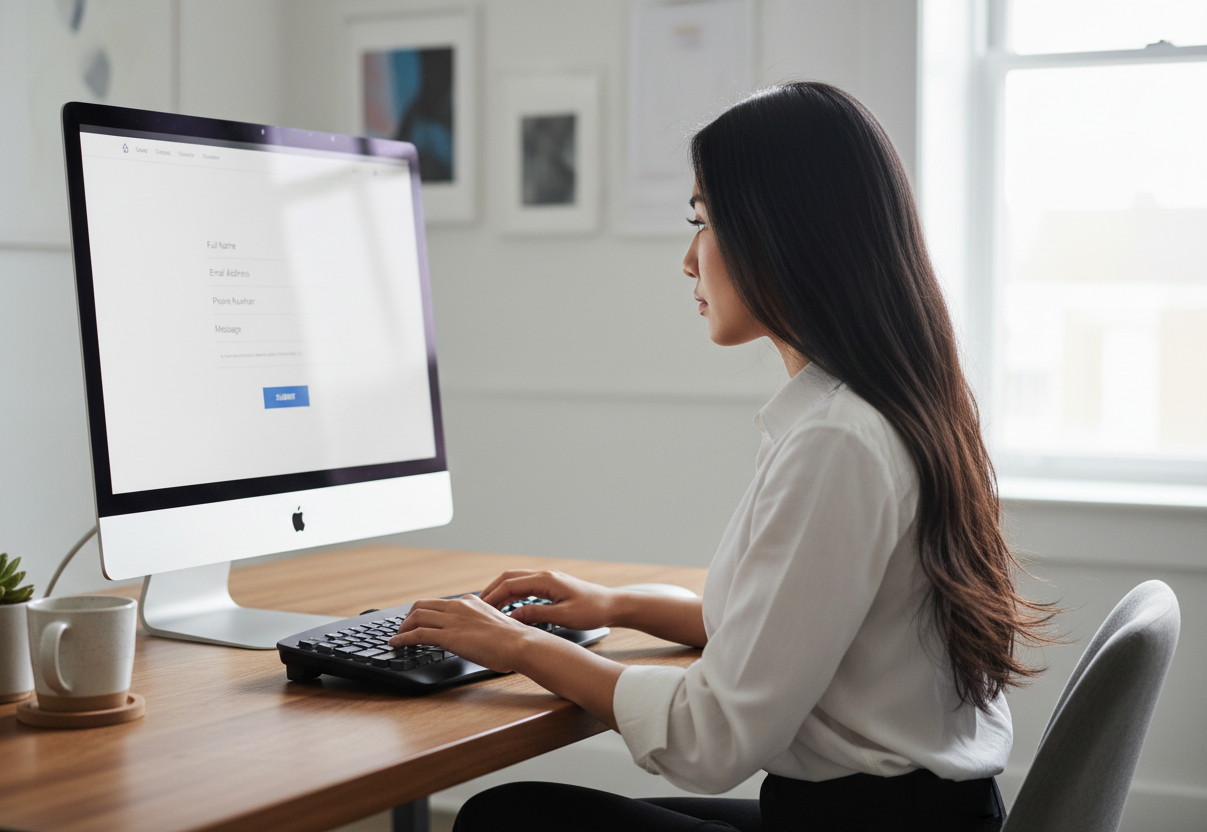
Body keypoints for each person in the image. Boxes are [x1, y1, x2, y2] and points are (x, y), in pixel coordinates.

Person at [389, 81, 1056, 832]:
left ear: (783, 234)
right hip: (914, 813)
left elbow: (713, 740)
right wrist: (618, 604)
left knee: (509, 818)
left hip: (863, 822)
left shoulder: (838, 441)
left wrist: (515, 646)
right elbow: (788, 629)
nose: (686, 259)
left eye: (702, 220)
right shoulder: (887, 409)